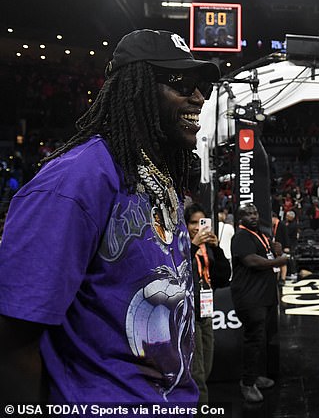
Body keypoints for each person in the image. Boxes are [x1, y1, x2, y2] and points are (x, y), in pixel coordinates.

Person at [0, 29, 220, 407]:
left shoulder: (158, 176)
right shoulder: (75, 180)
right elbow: (13, 338)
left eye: (202, 85)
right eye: (181, 83)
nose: (198, 97)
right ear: (134, 91)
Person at [230, 203, 288, 402]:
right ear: (240, 219)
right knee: (253, 340)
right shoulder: (240, 237)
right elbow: (252, 261)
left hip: (264, 296)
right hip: (250, 297)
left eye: (255, 212)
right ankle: (247, 384)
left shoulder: (262, 235)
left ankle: (254, 377)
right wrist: (279, 261)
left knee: (262, 339)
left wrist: (276, 251)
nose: (253, 216)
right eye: (248, 214)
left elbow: (269, 255)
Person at [185, 203, 231, 408]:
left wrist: (216, 248)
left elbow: (223, 278)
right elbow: (178, 271)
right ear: (185, 224)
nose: (197, 227)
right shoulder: (180, 245)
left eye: (200, 222)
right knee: (197, 374)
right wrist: (193, 245)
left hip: (206, 311)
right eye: (193, 222)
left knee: (207, 366)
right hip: (188, 315)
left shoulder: (207, 249)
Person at [271, 212, 290, 284]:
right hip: (275, 247)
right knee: (277, 263)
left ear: (274, 218)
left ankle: (283, 278)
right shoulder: (272, 226)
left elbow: (286, 236)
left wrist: (287, 246)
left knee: (283, 263)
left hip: (282, 246)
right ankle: (277, 278)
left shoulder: (282, 225)